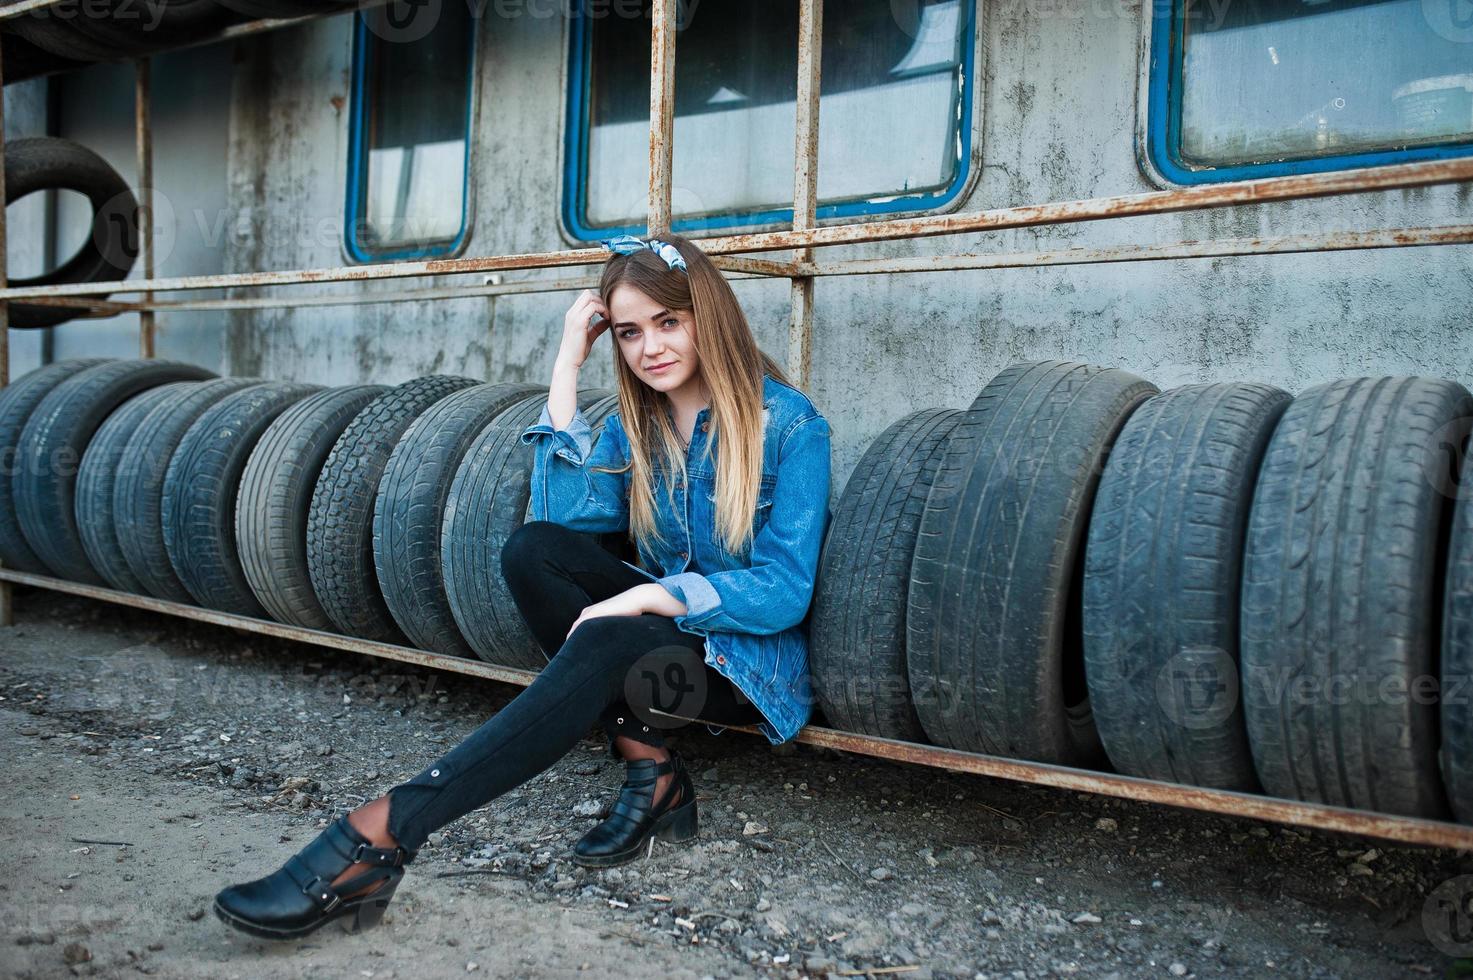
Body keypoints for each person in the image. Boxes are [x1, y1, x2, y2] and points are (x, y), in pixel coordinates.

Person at [211, 233, 834, 941]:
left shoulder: (789, 424)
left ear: (707, 317)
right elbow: (561, 525)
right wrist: (568, 364)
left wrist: (651, 595)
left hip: (739, 667)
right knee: (532, 552)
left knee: (611, 630)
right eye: (627, 332)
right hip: (659, 648)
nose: (648, 347)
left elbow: (785, 591)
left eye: (668, 322)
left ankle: (382, 833)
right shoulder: (640, 423)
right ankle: (652, 771)